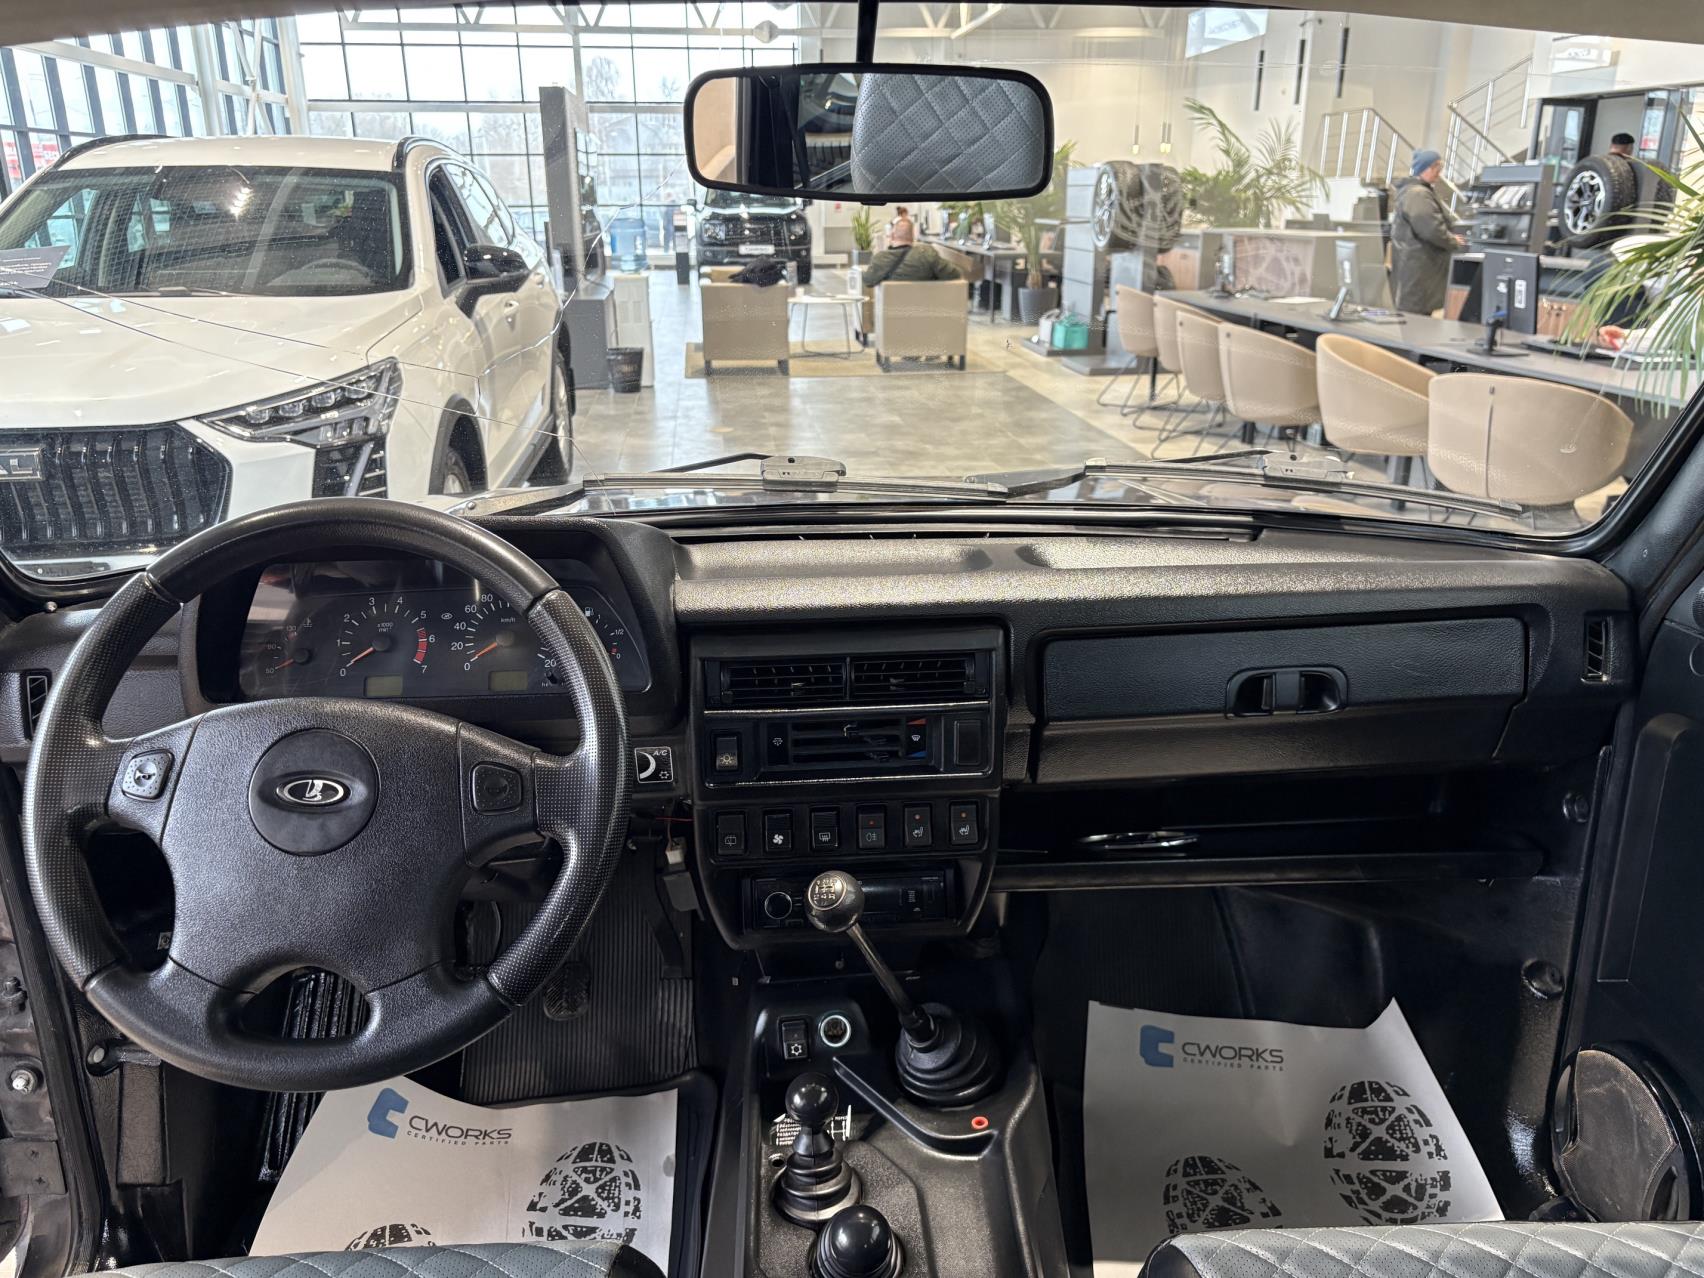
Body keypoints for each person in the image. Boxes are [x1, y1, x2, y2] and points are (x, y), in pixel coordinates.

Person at [1390, 148, 1466, 316]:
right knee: (1416, 318)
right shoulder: (1418, 194)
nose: (1439, 172)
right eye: (1436, 167)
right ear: (1424, 168)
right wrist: (1452, 240)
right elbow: (1431, 228)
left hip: (1416, 266)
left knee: (1417, 315)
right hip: (1419, 268)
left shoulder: (1416, 191)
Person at [862, 216, 964, 285]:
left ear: (892, 236)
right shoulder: (927, 254)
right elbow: (954, 274)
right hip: (924, 309)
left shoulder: (880, 258)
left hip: (890, 310)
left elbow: (868, 281)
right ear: (913, 236)